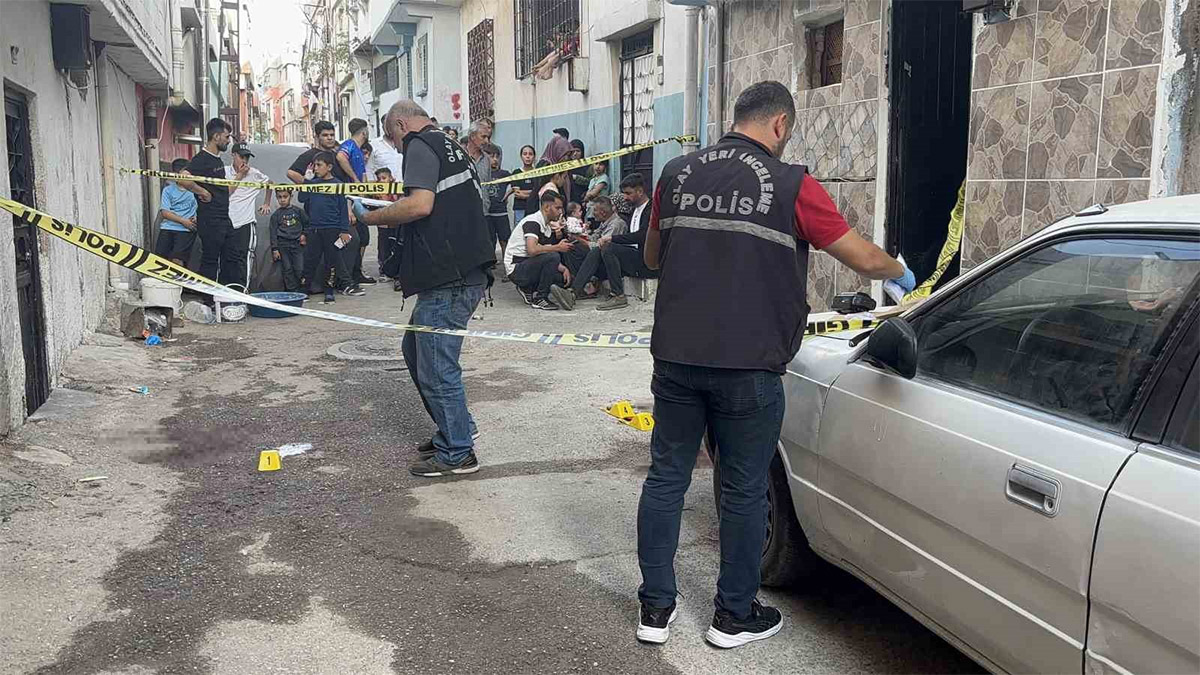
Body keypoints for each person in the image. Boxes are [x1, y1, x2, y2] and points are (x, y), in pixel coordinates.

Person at [633, 80, 916, 648]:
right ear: (780, 125)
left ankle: (655, 613)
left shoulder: (677, 174)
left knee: (666, 477)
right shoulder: (792, 184)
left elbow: (652, 256)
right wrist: (900, 273)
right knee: (742, 487)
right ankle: (733, 616)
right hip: (750, 363)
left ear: (735, 118)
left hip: (677, 356)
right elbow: (857, 254)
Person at [355, 100, 495, 478]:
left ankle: (458, 452)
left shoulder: (420, 143)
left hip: (449, 275)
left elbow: (419, 206)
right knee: (416, 349)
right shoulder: (450, 146)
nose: (398, 149)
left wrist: (370, 217)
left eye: (394, 139)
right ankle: (457, 427)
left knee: (436, 363)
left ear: (401, 124)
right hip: (460, 269)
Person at [551, 172, 656, 311]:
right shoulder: (634, 210)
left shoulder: (651, 210)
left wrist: (611, 239)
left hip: (645, 261)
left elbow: (642, 236)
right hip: (630, 257)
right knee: (589, 249)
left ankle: (618, 295)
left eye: (628, 193)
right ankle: (573, 293)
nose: (625, 197)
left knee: (608, 247)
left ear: (640, 191)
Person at [298, 151, 364, 302]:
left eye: (319, 165)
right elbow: (302, 198)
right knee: (310, 260)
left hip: (332, 228)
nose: (315, 168)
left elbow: (342, 209)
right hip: (315, 228)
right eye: (314, 165)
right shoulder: (313, 183)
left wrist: (344, 230)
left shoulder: (338, 185)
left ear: (329, 167)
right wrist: (306, 181)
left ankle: (329, 290)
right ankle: (304, 289)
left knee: (331, 261)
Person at [178, 118, 234, 289]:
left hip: (223, 217)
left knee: (230, 257)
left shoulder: (217, 160)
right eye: (226, 136)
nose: (228, 140)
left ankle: (224, 295)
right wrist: (202, 191)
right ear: (216, 137)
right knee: (210, 259)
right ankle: (208, 299)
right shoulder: (202, 158)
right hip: (210, 220)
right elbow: (183, 177)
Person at [547, 197, 626, 309]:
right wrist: (575, 236)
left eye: (594, 211)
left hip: (614, 265)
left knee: (595, 250)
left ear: (603, 212)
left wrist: (579, 239)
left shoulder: (616, 224)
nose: (592, 214)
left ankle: (574, 292)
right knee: (570, 248)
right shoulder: (604, 223)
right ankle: (578, 288)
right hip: (603, 258)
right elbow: (593, 238)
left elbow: (600, 246)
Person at [503, 191, 573, 310]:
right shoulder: (533, 222)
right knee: (554, 256)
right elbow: (532, 249)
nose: (561, 212)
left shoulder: (546, 226)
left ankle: (527, 288)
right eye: (558, 208)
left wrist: (563, 268)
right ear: (546, 207)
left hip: (529, 265)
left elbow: (544, 250)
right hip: (517, 269)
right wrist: (557, 247)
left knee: (562, 278)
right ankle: (540, 298)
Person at [224, 142, 273, 290]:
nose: (244, 161)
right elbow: (227, 192)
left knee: (243, 257)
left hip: (245, 221)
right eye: (241, 157)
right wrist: (239, 176)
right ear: (233, 155)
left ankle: (243, 291)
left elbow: (270, 183)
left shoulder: (254, 173)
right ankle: (226, 291)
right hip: (226, 220)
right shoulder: (224, 172)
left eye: (247, 158)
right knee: (227, 257)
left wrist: (266, 203)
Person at [339, 118, 376, 286]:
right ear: (364, 132)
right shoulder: (349, 145)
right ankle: (345, 277)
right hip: (349, 201)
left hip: (359, 200)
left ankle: (357, 271)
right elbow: (340, 157)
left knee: (364, 238)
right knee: (351, 240)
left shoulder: (359, 151)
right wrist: (354, 178)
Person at [155, 158, 198, 268]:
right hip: (168, 228)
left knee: (178, 261)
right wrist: (183, 221)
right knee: (160, 261)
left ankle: (179, 285)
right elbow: (165, 212)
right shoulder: (168, 190)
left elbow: (201, 208)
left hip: (186, 231)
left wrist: (196, 218)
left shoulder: (196, 190)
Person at [269, 189, 308, 292]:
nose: (282, 200)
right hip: (283, 245)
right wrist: (275, 249)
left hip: (297, 244)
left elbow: (308, 225)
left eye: (285, 196)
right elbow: (273, 233)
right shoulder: (275, 215)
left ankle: (303, 290)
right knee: (287, 269)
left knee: (300, 268)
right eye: (279, 197)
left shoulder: (298, 211)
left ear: (291, 196)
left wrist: (304, 234)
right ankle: (292, 291)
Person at [371, 167, 403, 292]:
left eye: (384, 178)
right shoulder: (377, 191)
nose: (381, 181)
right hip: (383, 225)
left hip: (395, 224)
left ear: (391, 178)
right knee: (383, 247)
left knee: (395, 246)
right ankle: (384, 268)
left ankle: (396, 271)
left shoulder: (397, 188)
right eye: (379, 179)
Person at [482, 143, 511, 265]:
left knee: (504, 239)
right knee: (490, 240)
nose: (495, 160)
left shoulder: (504, 174)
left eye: (497, 157)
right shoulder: (483, 174)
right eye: (491, 156)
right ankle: (491, 263)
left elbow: (516, 186)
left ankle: (507, 266)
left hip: (501, 212)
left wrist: (508, 194)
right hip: (487, 213)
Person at [366, 111, 404, 180]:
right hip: (383, 188)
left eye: (391, 125)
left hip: (404, 187)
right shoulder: (374, 145)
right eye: (386, 125)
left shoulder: (404, 143)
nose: (389, 128)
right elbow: (369, 169)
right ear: (382, 127)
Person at [510, 144, 538, 222]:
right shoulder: (516, 172)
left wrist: (525, 193)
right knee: (519, 231)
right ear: (521, 156)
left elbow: (539, 191)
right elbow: (517, 193)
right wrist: (533, 194)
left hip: (534, 208)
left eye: (530, 154)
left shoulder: (538, 172)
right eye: (525, 154)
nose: (528, 156)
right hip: (520, 208)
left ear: (534, 157)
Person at [583, 160, 610, 224]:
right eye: (596, 163)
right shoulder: (593, 180)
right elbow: (588, 194)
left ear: (605, 167)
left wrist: (588, 196)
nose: (598, 167)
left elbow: (592, 194)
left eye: (601, 164)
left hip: (600, 211)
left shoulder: (604, 178)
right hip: (590, 210)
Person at [568, 139, 590, 205]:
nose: (575, 154)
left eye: (578, 151)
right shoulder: (565, 166)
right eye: (573, 151)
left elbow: (590, 182)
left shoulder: (587, 167)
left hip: (581, 200)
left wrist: (577, 178)